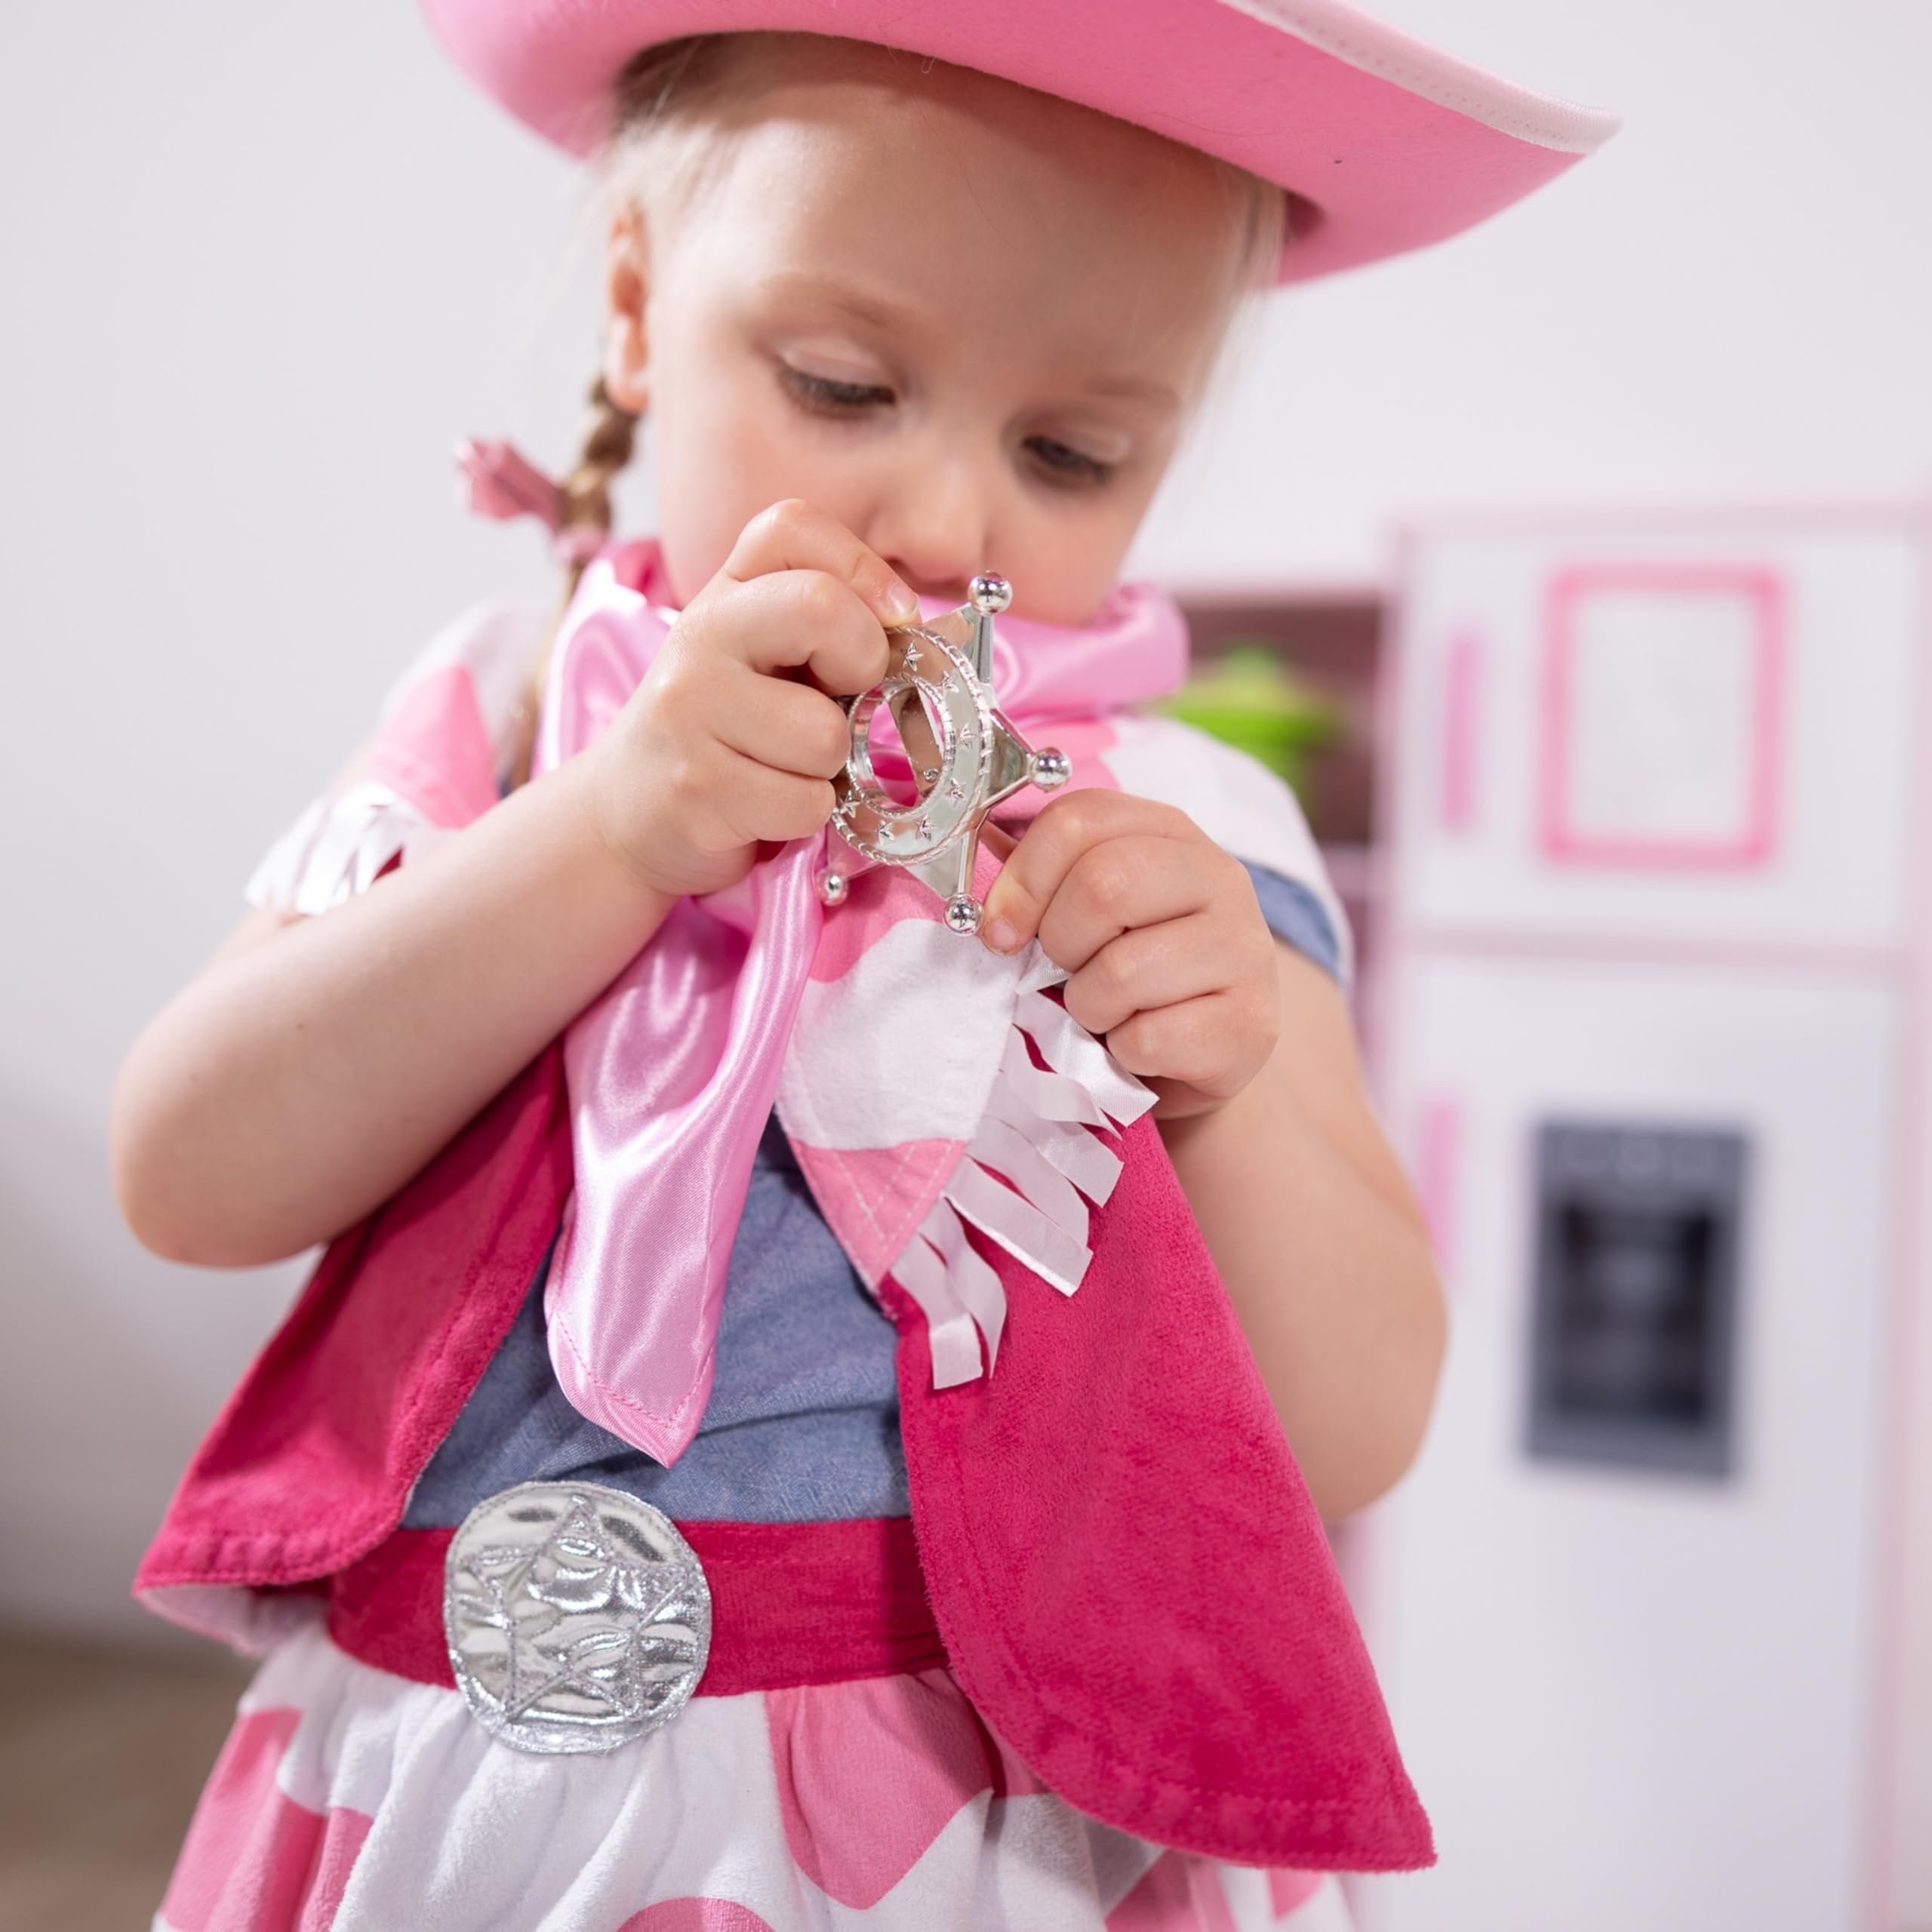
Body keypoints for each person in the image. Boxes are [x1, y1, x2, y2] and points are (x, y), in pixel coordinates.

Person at [112, 8, 1614, 1928]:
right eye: (837, 386)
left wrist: (1221, 1083)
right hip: (454, 1762)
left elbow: (1361, 1422)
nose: (941, 523)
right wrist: (601, 836)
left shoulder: (1181, 827)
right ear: (642, 308)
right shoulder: (502, 724)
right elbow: (191, 1170)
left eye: (1068, 450)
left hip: (955, 1814)